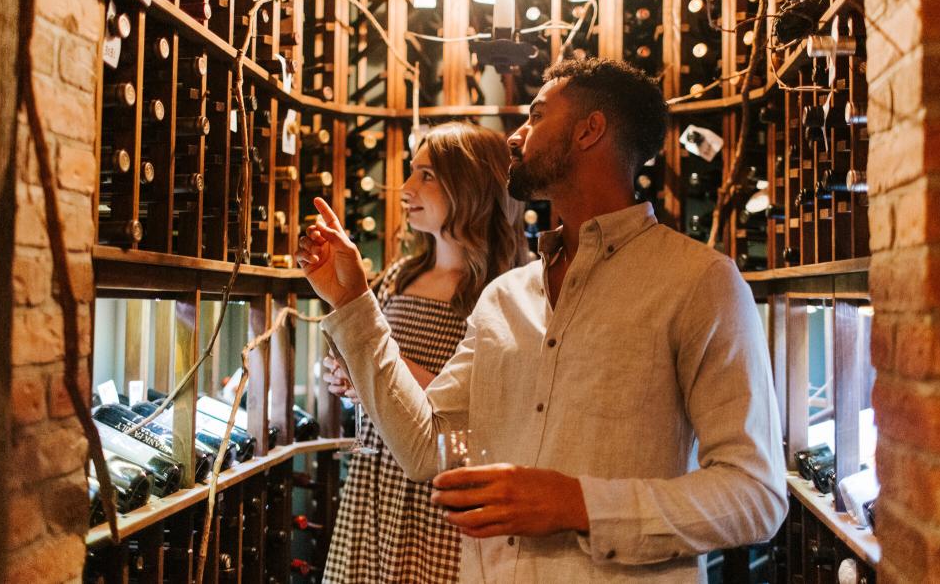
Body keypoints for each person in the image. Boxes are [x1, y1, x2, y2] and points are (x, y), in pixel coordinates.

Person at [298, 59, 787, 582]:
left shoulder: (700, 282)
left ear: (589, 130)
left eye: (535, 115)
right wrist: (351, 303)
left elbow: (755, 494)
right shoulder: (505, 297)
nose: (514, 136)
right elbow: (425, 447)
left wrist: (580, 504)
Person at [321, 122, 527, 583]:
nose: (406, 188)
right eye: (412, 172)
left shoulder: (506, 292)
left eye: (427, 175)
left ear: (472, 185)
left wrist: (377, 369)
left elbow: (490, 408)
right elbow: (377, 375)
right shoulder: (400, 275)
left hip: (443, 496)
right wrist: (350, 379)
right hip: (376, 481)